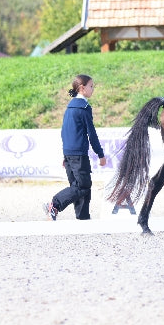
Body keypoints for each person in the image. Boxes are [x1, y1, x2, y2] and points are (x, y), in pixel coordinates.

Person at [43, 74, 107, 220]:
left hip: (70, 153)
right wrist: (100, 154)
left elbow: (64, 131)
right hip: (79, 154)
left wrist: (65, 155)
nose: (93, 89)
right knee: (82, 186)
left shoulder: (70, 107)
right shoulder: (84, 108)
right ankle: (54, 204)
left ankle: (83, 219)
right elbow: (92, 133)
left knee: (78, 187)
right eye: (91, 86)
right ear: (82, 88)